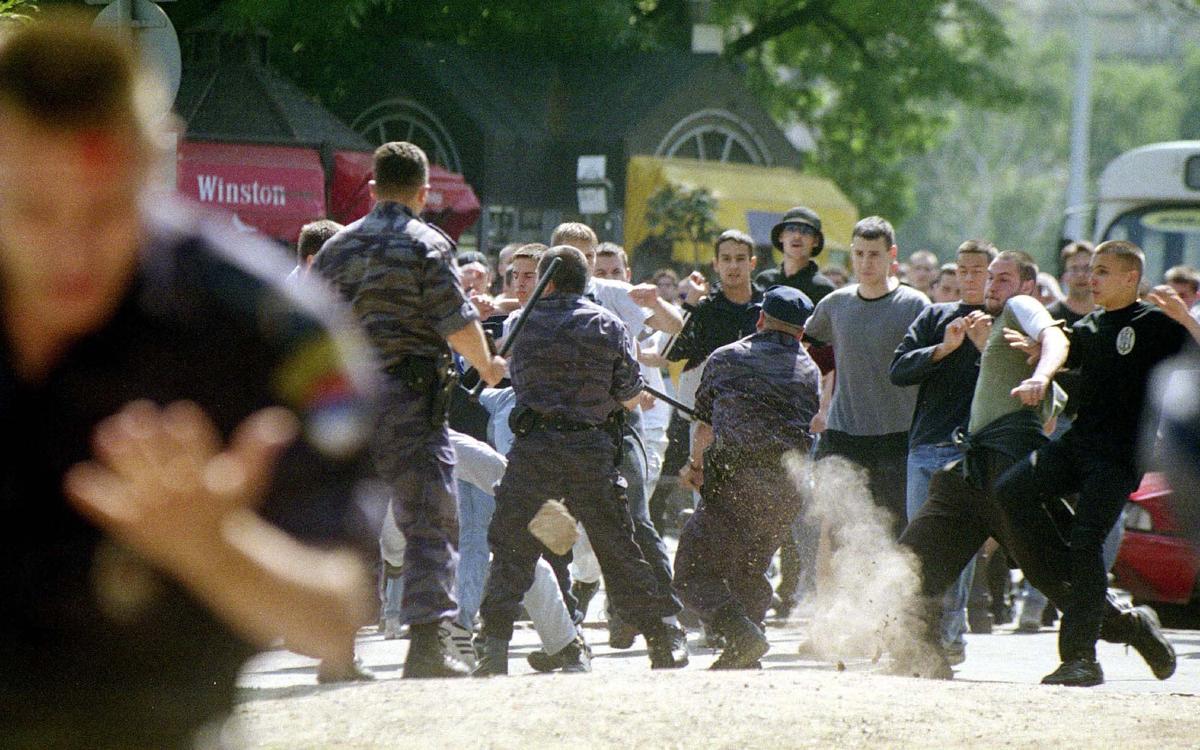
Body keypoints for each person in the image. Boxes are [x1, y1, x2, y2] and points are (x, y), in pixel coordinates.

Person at [0, 20, 377, 747]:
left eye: (106, 209)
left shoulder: (273, 331)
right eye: (31, 211)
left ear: (154, 166)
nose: (68, 250)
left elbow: (336, 620)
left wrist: (215, 549)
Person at [893, 250, 1176, 682]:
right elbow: (1058, 391)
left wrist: (1042, 374)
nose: (992, 286)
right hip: (971, 467)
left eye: (1003, 279)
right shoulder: (989, 331)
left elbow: (1055, 344)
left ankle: (1131, 627)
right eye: (989, 278)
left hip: (1009, 460)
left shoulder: (1025, 309)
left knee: (1059, 575)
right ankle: (920, 651)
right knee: (916, 558)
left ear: (1027, 286)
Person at [314, 140, 506, 678]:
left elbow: (308, 327)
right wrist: (489, 366)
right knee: (427, 522)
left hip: (348, 404)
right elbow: (457, 323)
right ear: (424, 193)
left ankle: (337, 651)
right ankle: (425, 648)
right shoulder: (428, 243)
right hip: (412, 402)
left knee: (349, 522)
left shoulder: (337, 248)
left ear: (372, 190)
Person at [995, 240, 1200, 687]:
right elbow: (1066, 352)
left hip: (1120, 455)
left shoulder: (1158, 324)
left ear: (1132, 277)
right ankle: (1122, 618)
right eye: (1091, 270)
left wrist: (1186, 319)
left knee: (1088, 546)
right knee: (1011, 491)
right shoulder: (1090, 325)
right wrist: (1038, 355)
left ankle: (1081, 660)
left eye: (1103, 271)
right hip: (1077, 443)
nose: (1091, 279)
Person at [473, 246, 686, 674]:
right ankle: (661, 640)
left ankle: (493, 650)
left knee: (514, 549)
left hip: (535, 453)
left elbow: (499, 372)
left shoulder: (521, 325)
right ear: (584, 282)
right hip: (591, 452)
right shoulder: (608, 325)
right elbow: (628, 395)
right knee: (619, 551)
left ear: (547, 281)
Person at [674, 287, 820, 669]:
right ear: (801, 333)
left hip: (735, 484)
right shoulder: (809, 371)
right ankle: (746, 645)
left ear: (759, 319)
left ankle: (740, 633)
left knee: (690, 573)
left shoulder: (726, 358)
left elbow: (704, 426)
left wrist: (695, 468)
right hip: (787, 490)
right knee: (750, 568)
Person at [890, 239, 996, 663]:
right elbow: (898, 370)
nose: (969, 278)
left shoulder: (1005, 322)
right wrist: (944, 349)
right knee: (920, 549)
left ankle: (946, 640)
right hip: (924, 447)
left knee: (957, 552)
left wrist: (985, 345)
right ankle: (928, 640)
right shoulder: (935, 317)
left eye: (979, 270)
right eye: (963, 270)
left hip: (971, 452)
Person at [805, 216, 930, 537]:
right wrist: (818, 404)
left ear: (892, 254)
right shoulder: (835, 304)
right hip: (843, 434)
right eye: (859, 253)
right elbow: (804, 350)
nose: (865, 262)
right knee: (832, 528)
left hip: (897, 437)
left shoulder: (915, 305)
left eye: (873, 254)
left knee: (894, 531)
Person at [753, 205, 836, 304]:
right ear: (781, 236)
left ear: (815, 241)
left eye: (805, 231)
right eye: (791, 229)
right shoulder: (765, 281)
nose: (797, 236)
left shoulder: (823, 290)